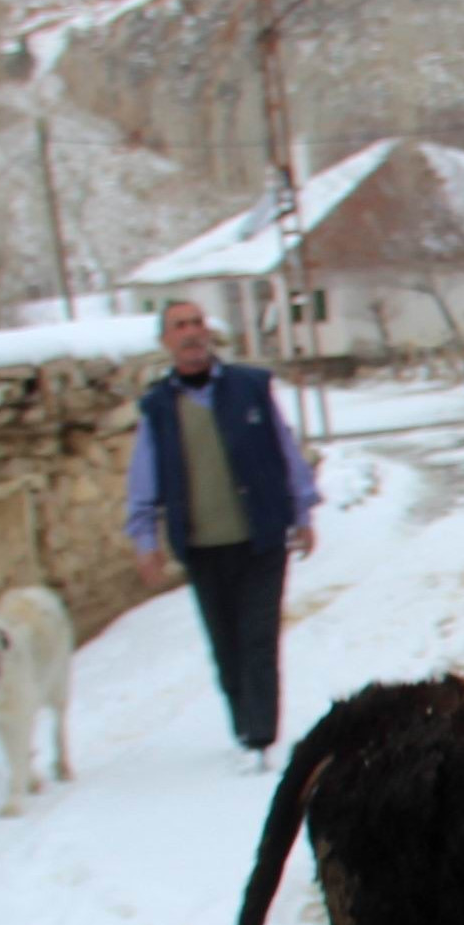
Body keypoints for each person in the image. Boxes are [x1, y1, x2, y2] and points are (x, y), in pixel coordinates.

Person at [126, 300, 322, 768]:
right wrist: (145, 540)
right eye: (180, 326)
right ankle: (243, 725)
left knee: (258, 638)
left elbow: (284, 450)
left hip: (261, 538)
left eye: (197, 323)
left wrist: (303, 512)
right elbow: (144, 477)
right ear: (166, 341)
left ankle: (260, 736)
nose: (192, 333)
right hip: (200, 546)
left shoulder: (250, 387)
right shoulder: (158, 407)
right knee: (226, 643)